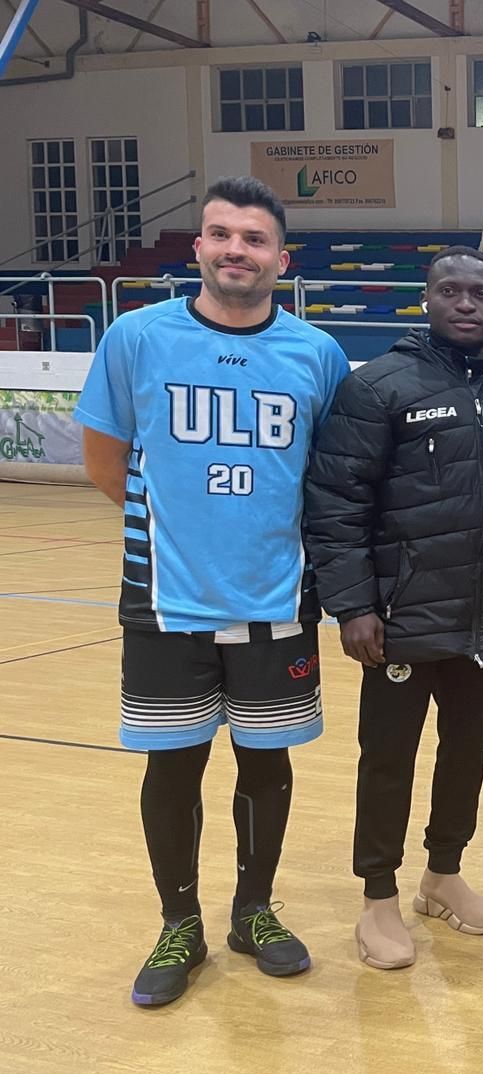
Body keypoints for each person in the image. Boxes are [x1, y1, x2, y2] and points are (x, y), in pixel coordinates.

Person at [72, 176, 350, 1007]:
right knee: (173, 767)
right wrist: (183, 527)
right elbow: (102, 462)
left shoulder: (317, 355)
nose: (237, 249)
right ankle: (179, 922)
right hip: (165, 601)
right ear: (197, 247)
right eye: (221, 234)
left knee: (266, 767)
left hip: (278, 601)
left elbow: (330, 477)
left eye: (254, 239)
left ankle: (253, 911)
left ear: (281, 259)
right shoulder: (136, 337)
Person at [304, 246, 483, 970]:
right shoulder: (380, 386)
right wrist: (353, 605)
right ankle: (378, 899)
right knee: (388, 760)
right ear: (427, 299)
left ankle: (442, 875)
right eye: (450, 290)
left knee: (467, 752)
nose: (465, 303)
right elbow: (336, 503)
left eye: (479, 294)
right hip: (401, 619)